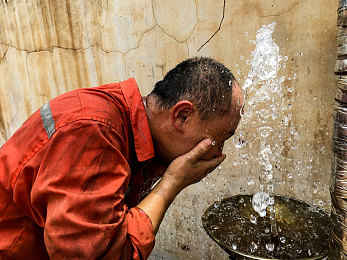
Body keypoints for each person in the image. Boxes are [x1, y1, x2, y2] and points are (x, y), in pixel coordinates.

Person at [0, 57, 244, 259]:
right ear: (181, 116)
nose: (218, 152)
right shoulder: (95, 132)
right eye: (219, 138)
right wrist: (172, 183)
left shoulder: (132, 130)